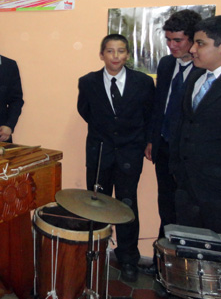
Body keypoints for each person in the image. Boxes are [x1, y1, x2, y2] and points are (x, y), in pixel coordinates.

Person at [77, 34, 155, 282]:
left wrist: (135, 141)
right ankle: (95, 254)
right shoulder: (87, 82)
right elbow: (85, 111)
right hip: (99, 153)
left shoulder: (142, 82)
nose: (115, 56)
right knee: (96, 205)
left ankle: (128, 258)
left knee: (127, 206)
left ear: (128, 55)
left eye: (121, 51)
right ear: (102, 54)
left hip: (130, 154)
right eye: (110, 51)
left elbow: (148, 115)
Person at [142, 10, 202, 275]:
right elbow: (159, 106)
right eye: (168, 39)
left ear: (193, 39)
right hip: (164, 147)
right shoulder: (166, 64)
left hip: (191, 154)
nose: (172, 45)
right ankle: (161, 264)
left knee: (188, 210)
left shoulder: (204, 69)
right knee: (165, 205)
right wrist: (152, 139)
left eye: (178, 40)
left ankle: (185, 270)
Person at [170, 15, 221, 235]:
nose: (192, 49)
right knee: (192, 255)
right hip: (188, 188)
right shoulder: (197, 77)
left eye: (200, 43)